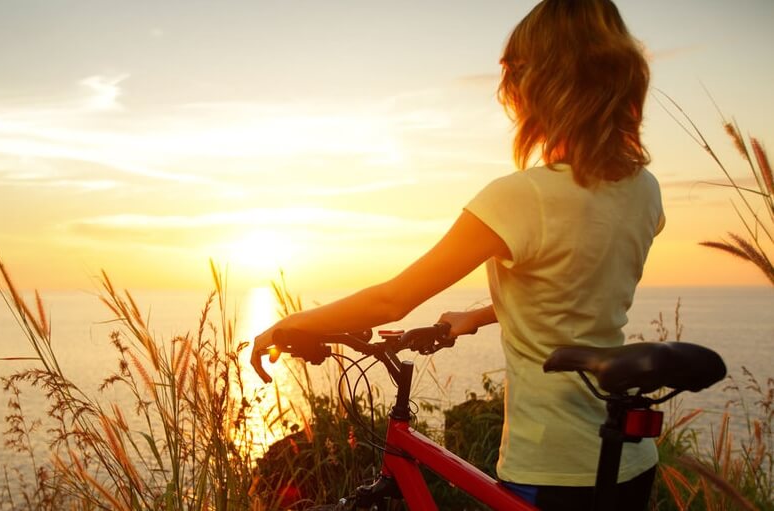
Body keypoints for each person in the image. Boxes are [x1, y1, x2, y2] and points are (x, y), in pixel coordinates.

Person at [251, 1, 663, 509]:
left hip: (552, 466)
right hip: (628, 458)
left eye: (515, 71)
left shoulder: (521, 197)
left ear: (544, 84)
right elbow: (578, 289)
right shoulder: (644, 190)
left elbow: (392, 300)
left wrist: (291, 323)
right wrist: (478, 315)